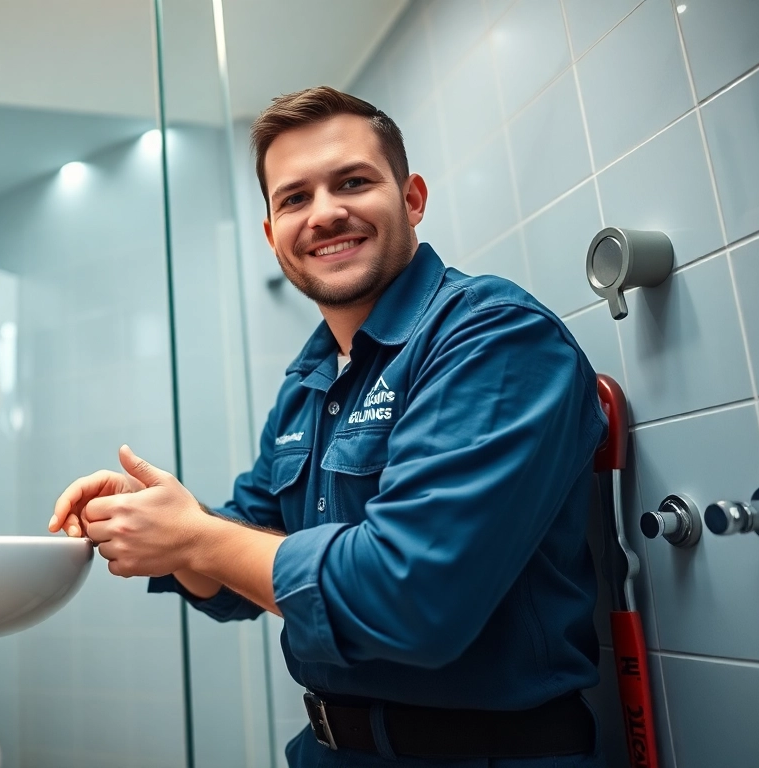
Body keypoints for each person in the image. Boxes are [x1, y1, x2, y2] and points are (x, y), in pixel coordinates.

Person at [49, 86, 605, 767]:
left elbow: (413, 598)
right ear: (271, 234)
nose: (325, 214)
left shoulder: (493, 337)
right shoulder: (308, 381)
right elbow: (245, 551)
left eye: (353, 182)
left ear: (412, 198)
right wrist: (164, 528)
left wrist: (195, 536)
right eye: (293, 198)